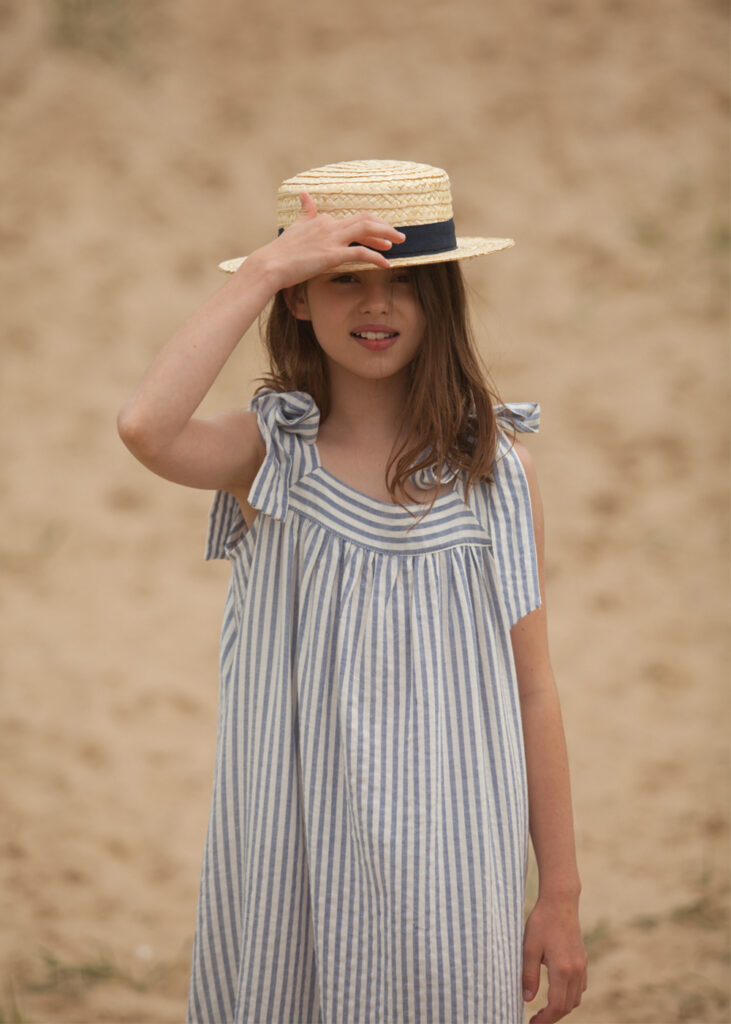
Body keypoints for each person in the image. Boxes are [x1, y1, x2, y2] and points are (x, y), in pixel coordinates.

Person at [118, 159, 588, 1024]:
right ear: (298, 297)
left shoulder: (495, 474)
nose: (377, 306)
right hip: (292, 853)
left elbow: (533, 688)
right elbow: (147, 427)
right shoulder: (268, 459)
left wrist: (557, 893)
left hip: (451, 860)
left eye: (403, 284)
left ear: (438, 297)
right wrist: (263, 268)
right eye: (342, 280)